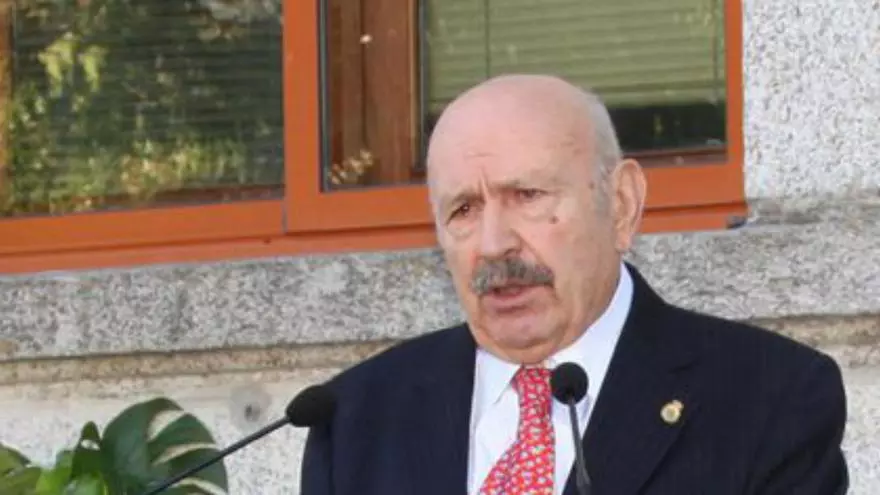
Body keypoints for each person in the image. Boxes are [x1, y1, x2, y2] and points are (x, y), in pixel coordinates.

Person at [299, 74, 849, 495]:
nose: (493, 244)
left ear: (621, 204)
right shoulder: (354, 419)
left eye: (528, 196)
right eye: (463, 209)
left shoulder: (769, 397)